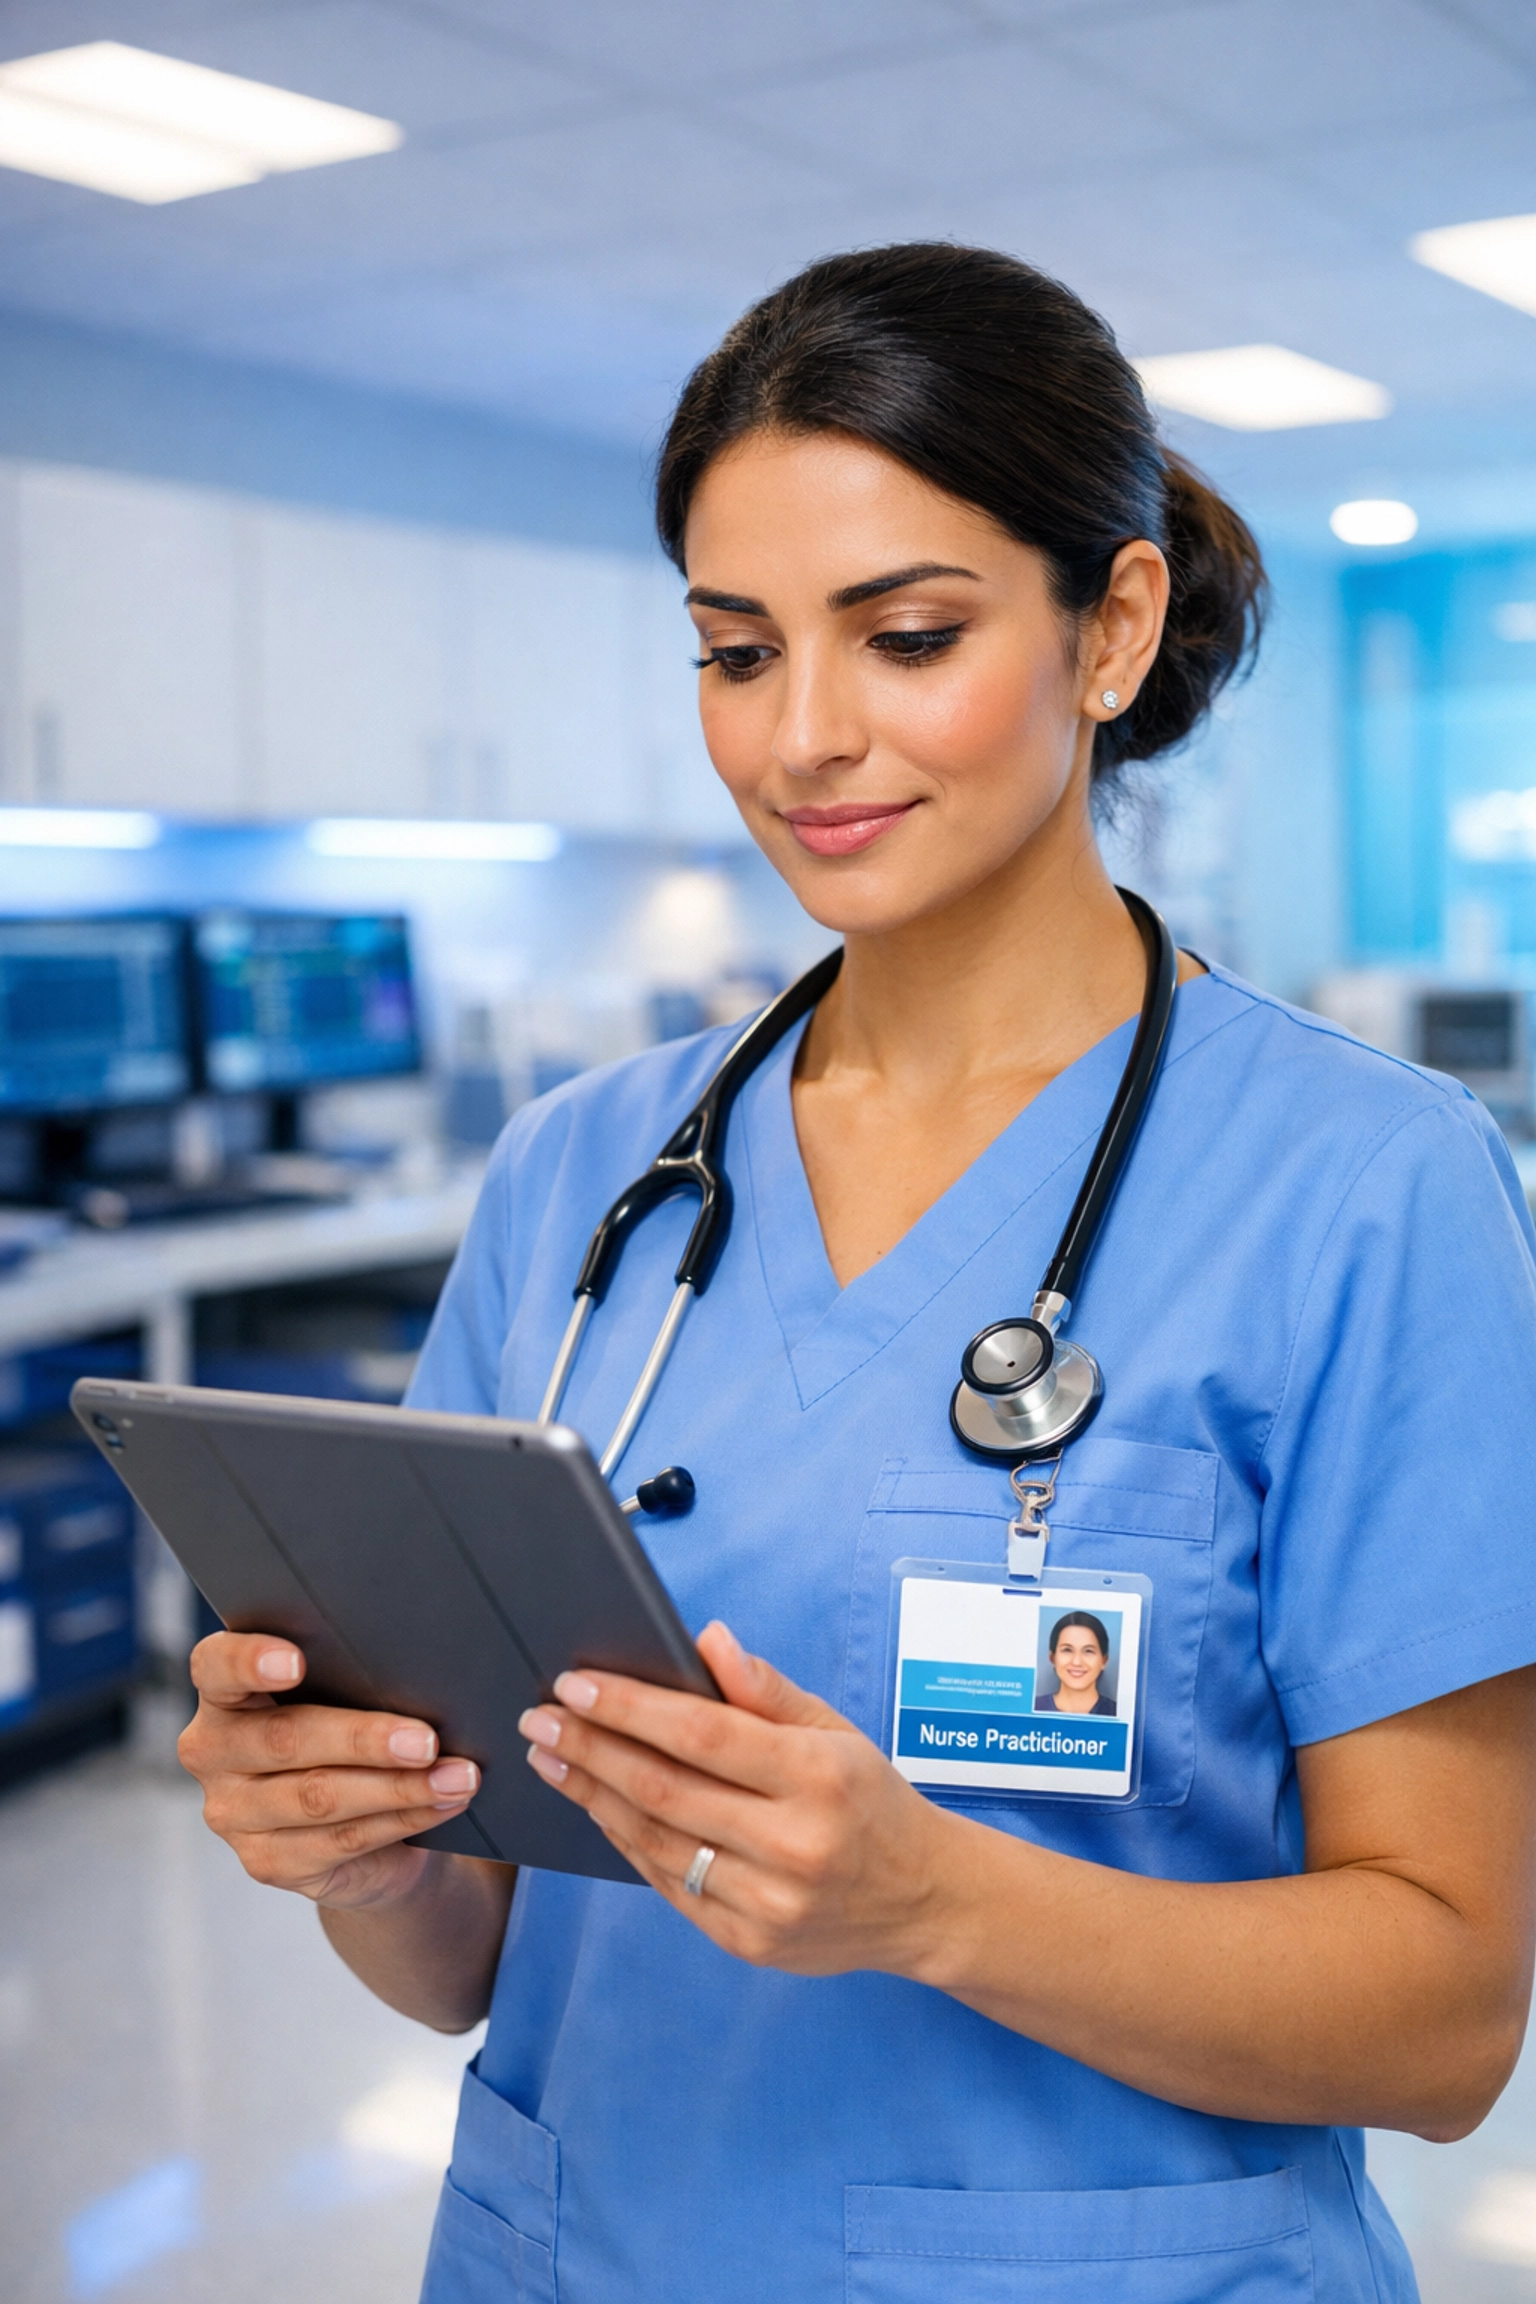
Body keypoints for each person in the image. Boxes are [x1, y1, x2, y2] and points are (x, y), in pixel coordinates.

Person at [177, 244, 1536, 2304]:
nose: (804, 738)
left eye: (905, 637)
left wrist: (928, 1901)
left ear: (1115, 626)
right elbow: (462, 1962)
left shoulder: (1370, 1189)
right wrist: (357, 1851)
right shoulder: (582, 1181)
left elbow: (1445, 2023)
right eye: (737, 653)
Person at [1036, 1610, 1116, 1716]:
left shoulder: (1116, 1713)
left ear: (1104, 1661)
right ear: (1052, 1657)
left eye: (1088, 1651)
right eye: (1067, 1650)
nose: (1077, 1662)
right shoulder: (1033, 1707)